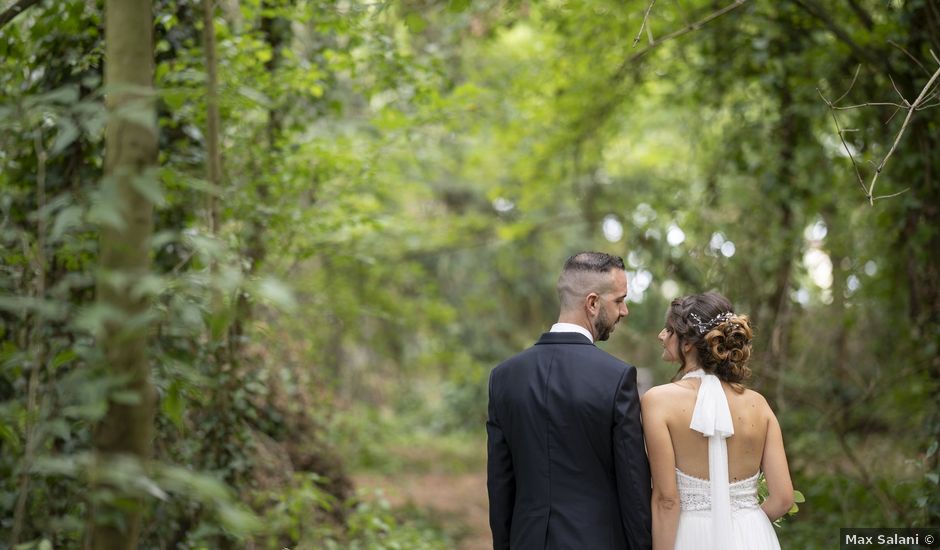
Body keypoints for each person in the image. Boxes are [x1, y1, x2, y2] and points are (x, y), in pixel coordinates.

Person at [486, 252, 652, 550]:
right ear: (592, 303)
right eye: (619, 300)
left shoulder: (504, 377)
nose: (624, 311)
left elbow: (500, 484)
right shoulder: (616, 378)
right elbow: (633, 489)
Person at [641, 293, 794, 550]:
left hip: (690, 537)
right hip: (752, 537)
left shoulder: (657, 401)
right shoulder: (759, 404)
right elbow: (783, 499)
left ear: (688, 344)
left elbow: (667, 500)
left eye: (669, 330)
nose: (661, 335)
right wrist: (746, 527)